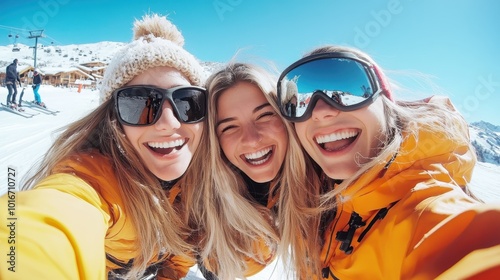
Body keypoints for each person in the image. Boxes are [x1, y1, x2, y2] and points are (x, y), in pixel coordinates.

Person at [0, 14, 209, 279]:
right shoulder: (93, 182)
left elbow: (184, 247)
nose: (168, 123)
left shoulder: (209, 180)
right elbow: (40, 230)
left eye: (187, 102)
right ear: (113, 119)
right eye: (139, 104)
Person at [276, 45, 500, 279]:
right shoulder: (311, 198)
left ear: (386, 104)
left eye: (346, 88)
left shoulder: (423, 212)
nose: (320, 111)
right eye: (303, 101)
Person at [198, 63, 321, 279]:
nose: (252, 139)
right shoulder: (204, 203)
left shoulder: (326, 179)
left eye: (264, 115)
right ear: (215, 142)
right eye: (229, 127)